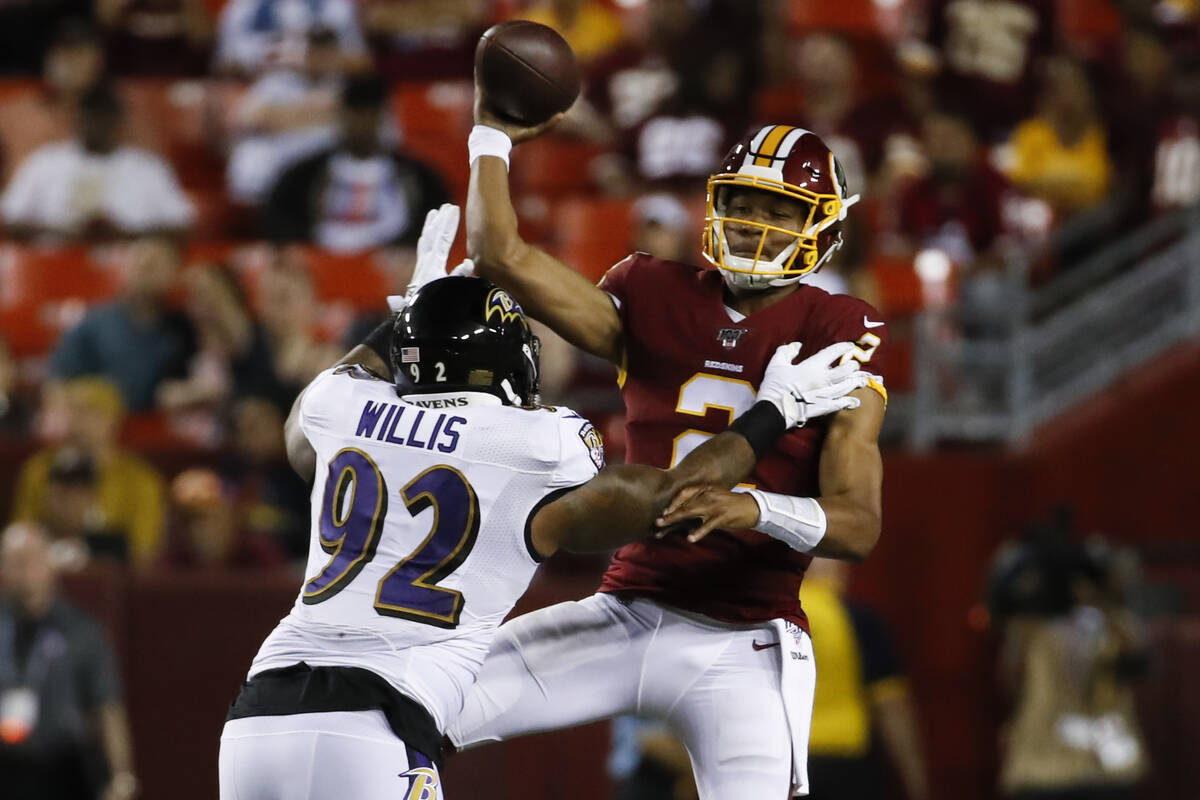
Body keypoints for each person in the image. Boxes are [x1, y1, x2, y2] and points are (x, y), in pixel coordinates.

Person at [218, 206, 873, 800]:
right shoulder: (532, 442)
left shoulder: (342, 405)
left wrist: (415, 312)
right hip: (379, 717)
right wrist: (773, 411)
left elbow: (302, 431)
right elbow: (675, 495)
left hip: (257, 711)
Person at [445, 105, 891, 796]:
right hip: (627, 608)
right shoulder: (650, 289)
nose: (751, 221)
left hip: (747, 638)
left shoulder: (836, 328)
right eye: (740, 203)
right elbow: (501, 255)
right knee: (409, 707)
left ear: (822, 226)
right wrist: (492, 135)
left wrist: (753, 509)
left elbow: (859, 527)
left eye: (776, 208)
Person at [0, 522, 137, 800]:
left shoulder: (82, 631)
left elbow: (108, 707)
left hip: (61, 768)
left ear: (50, 565)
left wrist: (122, 775)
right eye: (14, 561)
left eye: (31, 560)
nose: (24, 571)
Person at [263, 75, 449, 252]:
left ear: (383, 117)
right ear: (341, 115)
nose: (362, 123)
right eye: (355, 113)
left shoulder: (419, 178)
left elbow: (437, 224)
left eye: (370, 114)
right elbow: (280, 221)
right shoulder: (302, 176)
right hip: (322, 266)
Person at [801, 558, 929, 800]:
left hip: (785, 763)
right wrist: (916, 781)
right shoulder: (857, 618)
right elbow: (892, 708)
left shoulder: (766, 622)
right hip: (846, 763)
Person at [1, 83, 194, 242]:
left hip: (127, 262)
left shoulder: (148, 167)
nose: (97, 125)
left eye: (105, 116)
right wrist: (63, 231)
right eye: (91, 116)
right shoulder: (45, 161)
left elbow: (181, 227)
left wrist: (124, 234)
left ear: (120, 120)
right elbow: (9, 219)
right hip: (54, 262)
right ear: (77, 118)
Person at [12, 377, 166, 565]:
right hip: (45, 572)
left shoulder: (140, 478)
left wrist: (88, 540)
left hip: (112, 577)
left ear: (114, 420)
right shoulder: (39, 468)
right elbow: (20, 533)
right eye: (72, 411)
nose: (79, 421)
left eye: (91, 412)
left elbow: (143, 548)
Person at [47, 237, 198, 412]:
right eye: (138, 260)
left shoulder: (187, 328)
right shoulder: (93, 325)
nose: (143, 268)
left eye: (154, 264)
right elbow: (59, 383)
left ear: (176, 273)